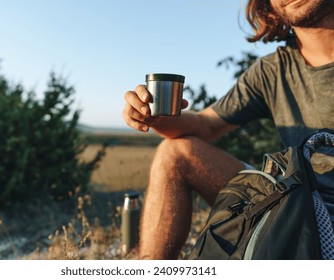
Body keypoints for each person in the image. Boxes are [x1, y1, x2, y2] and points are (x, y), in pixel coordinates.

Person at [122, 0, 334, 259]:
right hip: (294, 209)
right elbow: (205, 125)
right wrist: (151, 115)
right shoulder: (272, 71)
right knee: (175, 153)